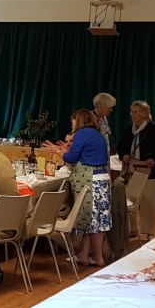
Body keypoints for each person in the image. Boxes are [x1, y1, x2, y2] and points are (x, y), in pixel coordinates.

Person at [44, 109, 112, 267]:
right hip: (101, 179)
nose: (72, 124)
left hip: (91, 181)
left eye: (73, 121)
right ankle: (83, 255)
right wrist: (65, 150)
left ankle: (98, 258)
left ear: (80, 120)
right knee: (91, 220)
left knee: (93, 221)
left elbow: (71, 158)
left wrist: (57, 151)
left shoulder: (82, 134)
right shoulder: (97, 134)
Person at [116, 100, 155, 238]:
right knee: (130, 198)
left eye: (136, 112)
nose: (133, 114)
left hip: (151, 171)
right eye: (131, 112)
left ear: (144, 113)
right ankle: (131, 229)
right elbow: (120, 147)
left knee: (148, 199)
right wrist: (123, 156)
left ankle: (148, 231)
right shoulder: (128, 131)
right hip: (132, 170)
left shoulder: (154, 129)